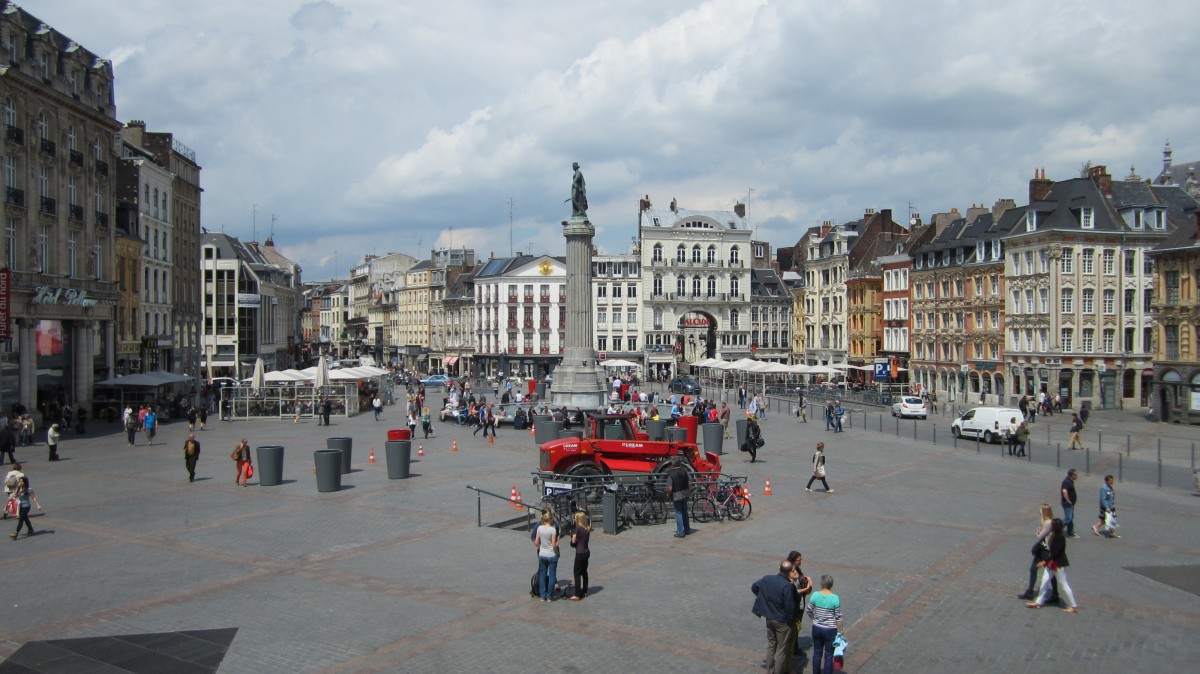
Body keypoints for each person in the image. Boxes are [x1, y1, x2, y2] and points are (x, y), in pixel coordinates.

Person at [751, 560, 799, 674]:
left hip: (769, 618)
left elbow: (754, 587)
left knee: (771, 646)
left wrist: (765, 598)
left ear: (779, 569)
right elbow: (789, 605)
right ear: (789, 572)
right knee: (781, 650)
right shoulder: (787, 585)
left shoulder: (767, 579)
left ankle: (770, 671)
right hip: (782, 620)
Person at [1026, 518, 1079, 613]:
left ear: (1055, 527)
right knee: (1044, 581)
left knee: (1063, 584)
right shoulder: (1054, 535)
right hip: (1051, 564)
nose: (1050, 526)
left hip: (1057, 564)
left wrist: (1043, 562)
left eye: (1052, 525)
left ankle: (1073, 606)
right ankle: (1038, 602)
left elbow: (1055, 554)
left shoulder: (1060, 538)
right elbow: (1044, 542)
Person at [1018, 504, 1059, 602]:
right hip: (1042, 548)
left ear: (1044, 512)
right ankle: (1030, 591)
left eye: (1040, 511)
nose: (1039, 512)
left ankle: (1054, 594)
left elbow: (1040, 536)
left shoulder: (1048, 522)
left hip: (1045, 550)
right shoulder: (1048, 521)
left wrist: (1038, 532)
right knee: (1034, 569)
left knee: (1049, 572)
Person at [807, 575, 845, 674]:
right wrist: (842, 630)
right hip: (830, 630)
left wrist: (814, 619)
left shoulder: (815, 595)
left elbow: (809, 610)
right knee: (829, 655)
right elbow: (838, 617)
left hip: (817, 628)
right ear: (831, 585)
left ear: (821, 584)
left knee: (817, 653)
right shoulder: (835, 598)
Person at [784, 551, 814, 668]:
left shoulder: (796, 571)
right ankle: (793, 649)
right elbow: (793, 590)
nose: (801, 561)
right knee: (795, 626)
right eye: (799, 560)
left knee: (797, 626)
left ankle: (794, 647)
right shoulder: (790, 572)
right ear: (793, 560)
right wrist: (807, 586)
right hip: (796, 603)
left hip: (800, 601)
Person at [534, 510, 560, 602]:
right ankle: (549, 596)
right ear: (550, 519)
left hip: (542, 554)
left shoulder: (540, 528)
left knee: (542, 575)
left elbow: (536, 542)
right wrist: (557, 546)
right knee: (552, 576)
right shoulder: (552, 530)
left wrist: (540, 548)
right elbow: (554, 545)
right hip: (551, 554)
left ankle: (542, 596)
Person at [666, 453, 694, 538]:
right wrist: (688, 492)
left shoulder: (671, 474)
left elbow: (670, 488)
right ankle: (687, 529)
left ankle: (680, 532)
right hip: (685, 494)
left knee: (678, 513)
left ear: (673, 464)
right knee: (685, 512)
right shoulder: (685, 471)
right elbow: (689, 484)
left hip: (676, 495)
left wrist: (668, 494)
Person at [568, 511, 591, 600]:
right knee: (584, 572)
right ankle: (585, 591)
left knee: (576, 573)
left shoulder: (577, 528)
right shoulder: (587, 528)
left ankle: (577, 594)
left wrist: (574, 538)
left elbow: (573, 541)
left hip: (580, 553)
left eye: (575, 518)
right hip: (586, 551)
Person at [1060, 469, 1078, 537]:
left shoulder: (1070, 481)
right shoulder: (1067, 482)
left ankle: (1070, 531)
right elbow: (1064, 491)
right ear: (1071, 475)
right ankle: (1057, 529)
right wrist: (1068, 500)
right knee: (1068, 518)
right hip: (1067, 504)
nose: (1076, 476)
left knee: (1070, 517)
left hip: (1070, 504)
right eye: (1075, 475)